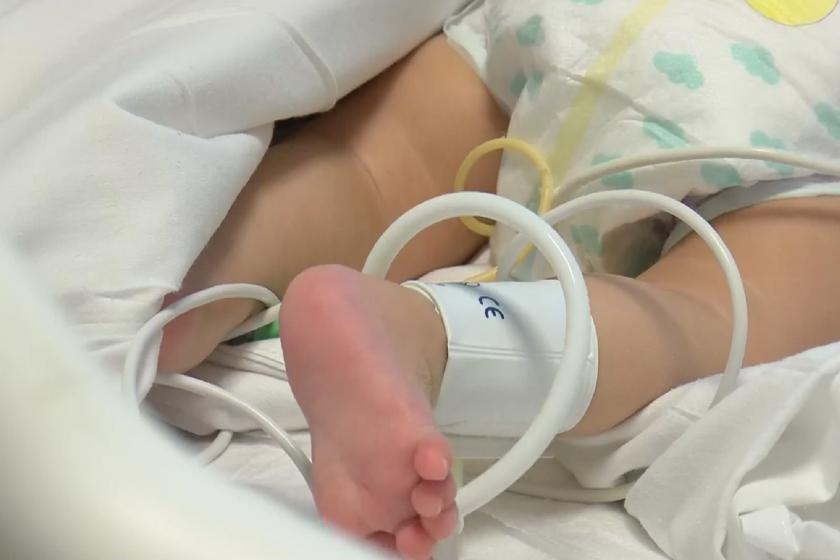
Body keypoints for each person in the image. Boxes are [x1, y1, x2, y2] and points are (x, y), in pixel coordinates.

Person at [158, 7, 840, 559]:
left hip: (573, 22)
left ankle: (181, 285)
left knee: (369, 174)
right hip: (796, 105)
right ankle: (429, 334)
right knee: (696, 316)